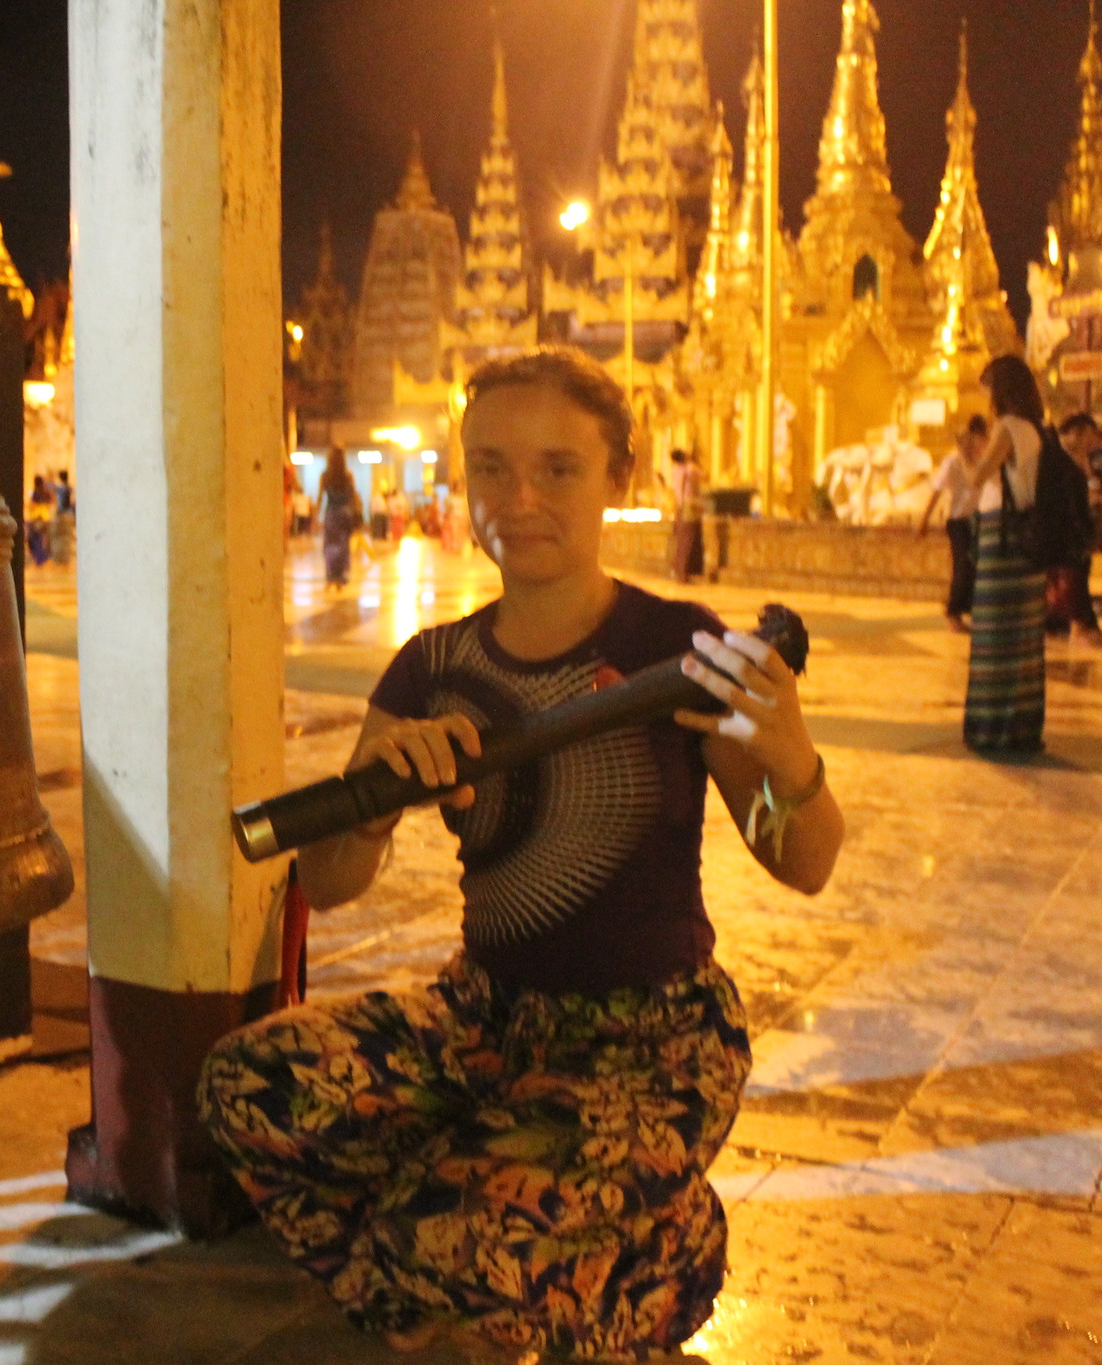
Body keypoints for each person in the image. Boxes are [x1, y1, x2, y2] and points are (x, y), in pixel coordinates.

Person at [199, 346, 844, 1361]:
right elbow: (325, 881)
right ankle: (608, 1251)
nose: (519, 497)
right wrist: (372, 807)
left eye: (557, 468)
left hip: (652, 1041)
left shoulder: (675, 645)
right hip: (481, 1017)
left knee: (445, 1241)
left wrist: (788, 756)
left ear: (615, 481)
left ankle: (624, 1253)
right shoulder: (431, 668)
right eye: (490, 466)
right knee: (248, 1088)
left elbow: (802, 861)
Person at [961, 355, 1048, 754]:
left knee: (994, 636)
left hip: (1003, 537)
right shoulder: (1034, 428)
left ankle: (992, 728)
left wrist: (964, 453)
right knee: (1023, 639)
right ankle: (1021, 724)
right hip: (1029, 541)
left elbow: (978, 477)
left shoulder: (1009, 427)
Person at [919, 416, 986, 633]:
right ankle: (953, 612)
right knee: (963, 567)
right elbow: (936, 491)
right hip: (958, 520)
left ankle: (967, 610)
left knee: (975, 567)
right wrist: (924, 520)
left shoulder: (982, 460)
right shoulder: (952, 462)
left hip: (978, 519)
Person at [1048, 415, 1102, 646]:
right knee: (1069, 577)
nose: (1092, 445)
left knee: (1076, 575)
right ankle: (1078, 625)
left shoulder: (1078, 458)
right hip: (1062, 528)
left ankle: (1077, 624)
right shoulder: (1055, 455)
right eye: (1090, 438)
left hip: (1077, 528)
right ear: (1076, 432)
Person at [318, 447, 359, 589]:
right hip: (345, 513)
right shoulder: (348, 476)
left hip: (331, 513)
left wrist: (316, 517)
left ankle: (330, 576)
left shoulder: (325, 476)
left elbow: (320, 498)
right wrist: (356, 514)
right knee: (343, 545)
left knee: (330, 545)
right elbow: (353, 497)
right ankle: (340, 576)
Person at [667, 448, 705, 582]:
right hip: (690, 506)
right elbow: (704, 475)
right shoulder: (690, 469)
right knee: (689, 539)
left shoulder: (675, 471)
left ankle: (678, 570)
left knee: (681, 539)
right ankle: (684, 573)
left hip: (680, 506)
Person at [26, 474, 54, 567]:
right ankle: (44, 558)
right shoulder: (46, 493)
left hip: (36, 518)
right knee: (44, 539)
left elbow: (32, 505)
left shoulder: (34, 493)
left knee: (34, 539)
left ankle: (40, 558)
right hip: (46, 518)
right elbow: (51, 502)